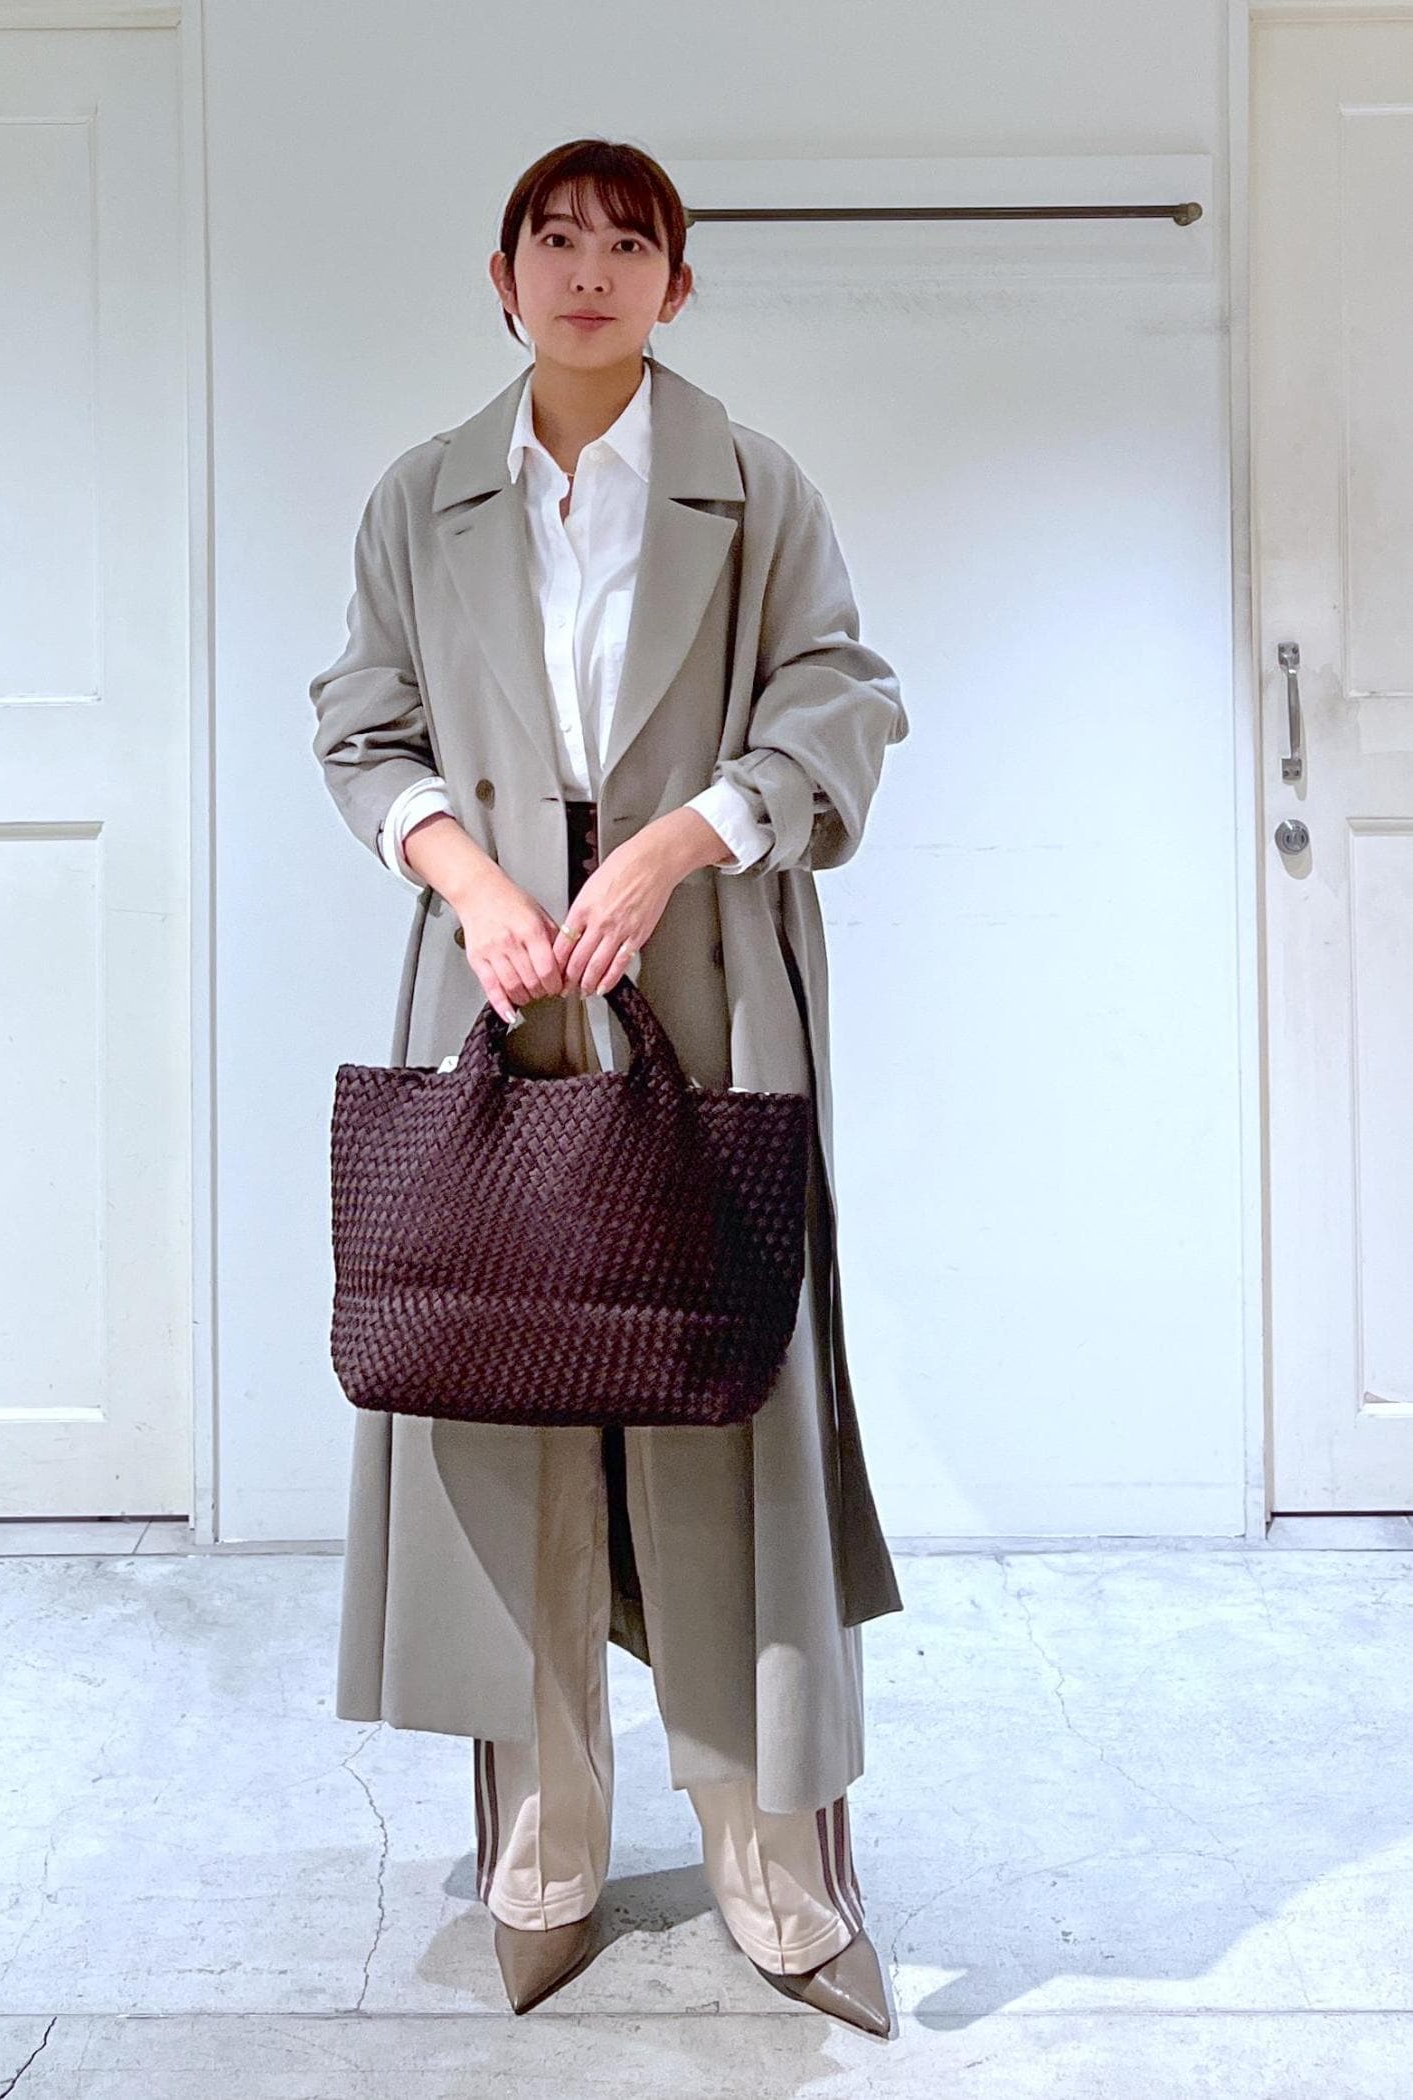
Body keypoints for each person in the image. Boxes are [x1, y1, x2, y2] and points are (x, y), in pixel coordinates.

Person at [308, 137, 909, 2034]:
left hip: (705, 980)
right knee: (503, 1391)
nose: (589, 269)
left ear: (676, 283)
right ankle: (545, 1845)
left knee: (724, 1393)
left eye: (627, 242)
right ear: (503, 279)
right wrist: (474, 886)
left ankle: (773, 1865)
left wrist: (677, 844)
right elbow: (364, 723)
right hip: (496, 978)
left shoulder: (754, 483)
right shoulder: (423, 496)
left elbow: (842, 694)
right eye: (554, 240)